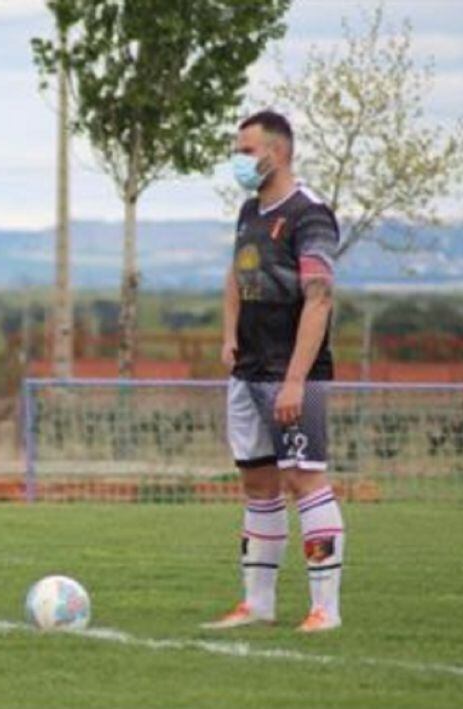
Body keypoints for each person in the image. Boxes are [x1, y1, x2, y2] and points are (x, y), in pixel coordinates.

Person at [203, 110, 344, 633]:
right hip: (248, 370)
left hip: (291, 373)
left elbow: (319, 299)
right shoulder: (249, 211)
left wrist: (295, 379)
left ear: (276, 153)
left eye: (245, 150)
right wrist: (228, 335)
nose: (239, 160)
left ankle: (325, 609)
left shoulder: (310, 215)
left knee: (303, 479)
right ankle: (256, 604)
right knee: (258, 483)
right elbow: (234, 276)